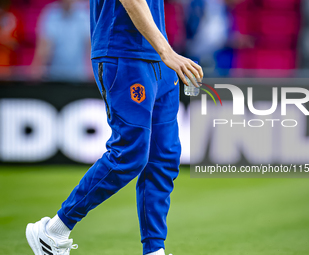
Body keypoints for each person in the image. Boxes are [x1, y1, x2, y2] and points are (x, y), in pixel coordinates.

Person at [26, 0, 203, 254]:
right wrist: (167, 52)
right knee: (129, 154)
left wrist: (164, 53)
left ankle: (154, 251)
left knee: (163, 158)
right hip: (125, 52)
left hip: (157, 55)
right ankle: (53, 231)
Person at [31, 0, 91, 81]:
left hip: (79, 78)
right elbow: (44, 48)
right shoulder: (49, 13)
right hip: (54, 77)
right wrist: (36, 69)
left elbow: (90, 46)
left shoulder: (85, 13)